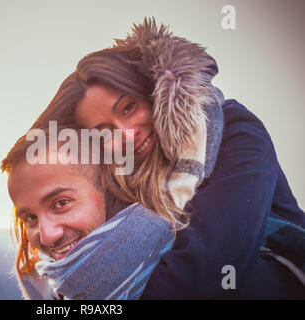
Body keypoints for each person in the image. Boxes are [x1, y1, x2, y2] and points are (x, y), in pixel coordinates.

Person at [24, 18, 305, 298]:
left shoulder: (238, 132)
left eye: (129, 107)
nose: (128, 134)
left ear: (152, 91)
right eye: (103, 131)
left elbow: (203, 276)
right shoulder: (118, 178)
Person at [1, 127, 174, 299]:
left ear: (107, 182)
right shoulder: (38, 278)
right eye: (30, 218)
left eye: (61, 203)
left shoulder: (182, 254)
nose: (47, 237)